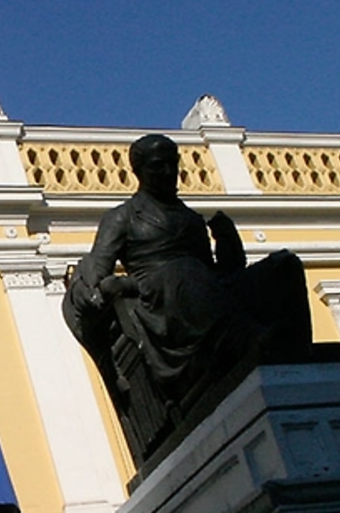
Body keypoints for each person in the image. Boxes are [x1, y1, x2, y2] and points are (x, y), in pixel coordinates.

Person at [64, 133, 311, 406]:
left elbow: (218, 277)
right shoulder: (121, 216)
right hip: (158, 302)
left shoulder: (191, 218)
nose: (168, 171)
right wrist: (110, 287)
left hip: (197, 295)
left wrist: (228, 244)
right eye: (157, 165)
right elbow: (97, 273)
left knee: (284, 266)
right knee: (185, 271)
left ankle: (302, 357)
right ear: (138, 171)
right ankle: (248, 340)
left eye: (172, 163)